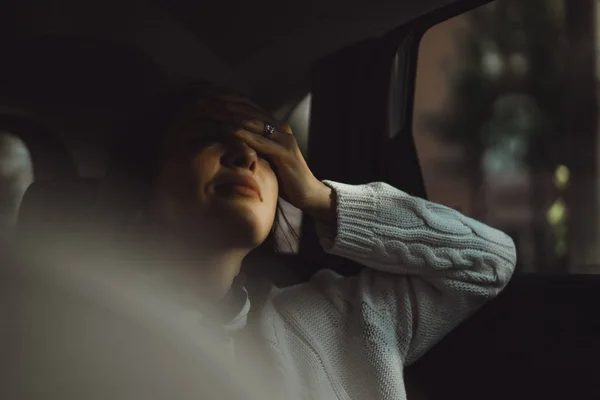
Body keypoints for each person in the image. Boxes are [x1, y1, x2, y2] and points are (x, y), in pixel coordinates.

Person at [89, 82, 519, 399]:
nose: (245, 156)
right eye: (207, 139)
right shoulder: (92, 341)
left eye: (265, 149)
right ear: (141, 188)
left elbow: (488, 260)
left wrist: (320, 197)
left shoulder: (333, 320)